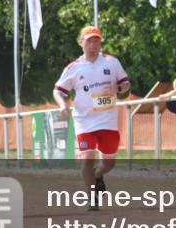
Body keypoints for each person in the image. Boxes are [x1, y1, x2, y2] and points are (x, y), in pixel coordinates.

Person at [53, 26, 130, 211]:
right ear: (81, 43)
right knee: (87, 158)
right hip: (84, 121)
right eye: (89, 41)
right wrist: (63, 105)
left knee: (109, 163)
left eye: (96, 41)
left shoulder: (112, 62)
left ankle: (99, 174)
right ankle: (92, 198)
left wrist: (118, 89)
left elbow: (126, 84)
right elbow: (58, 90)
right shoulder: (74, 68)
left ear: (101, 42)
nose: (93, 45)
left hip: (108, 119)